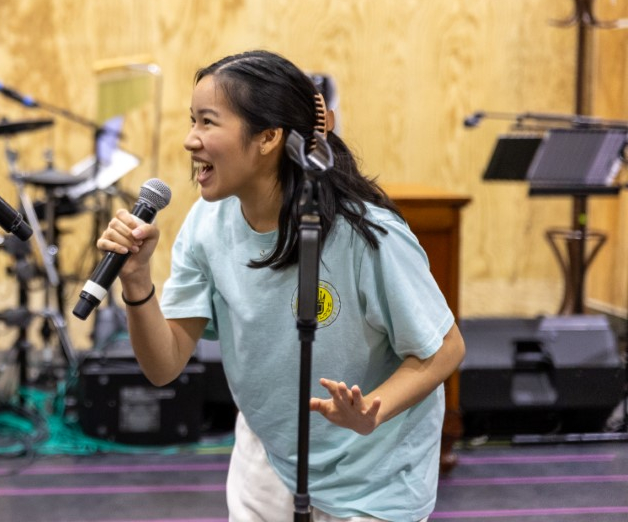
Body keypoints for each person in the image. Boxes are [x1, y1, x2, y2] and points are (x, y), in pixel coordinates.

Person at [98, 50, 465, 522]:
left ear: (269, 137)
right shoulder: (206, 224)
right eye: (192, 121)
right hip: (270, 457)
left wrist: (372, 408)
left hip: (373, 474)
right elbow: (164, 365)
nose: (191, 140)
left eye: (208, 122)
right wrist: (135, 283)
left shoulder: (366, 234)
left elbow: (446, 347)